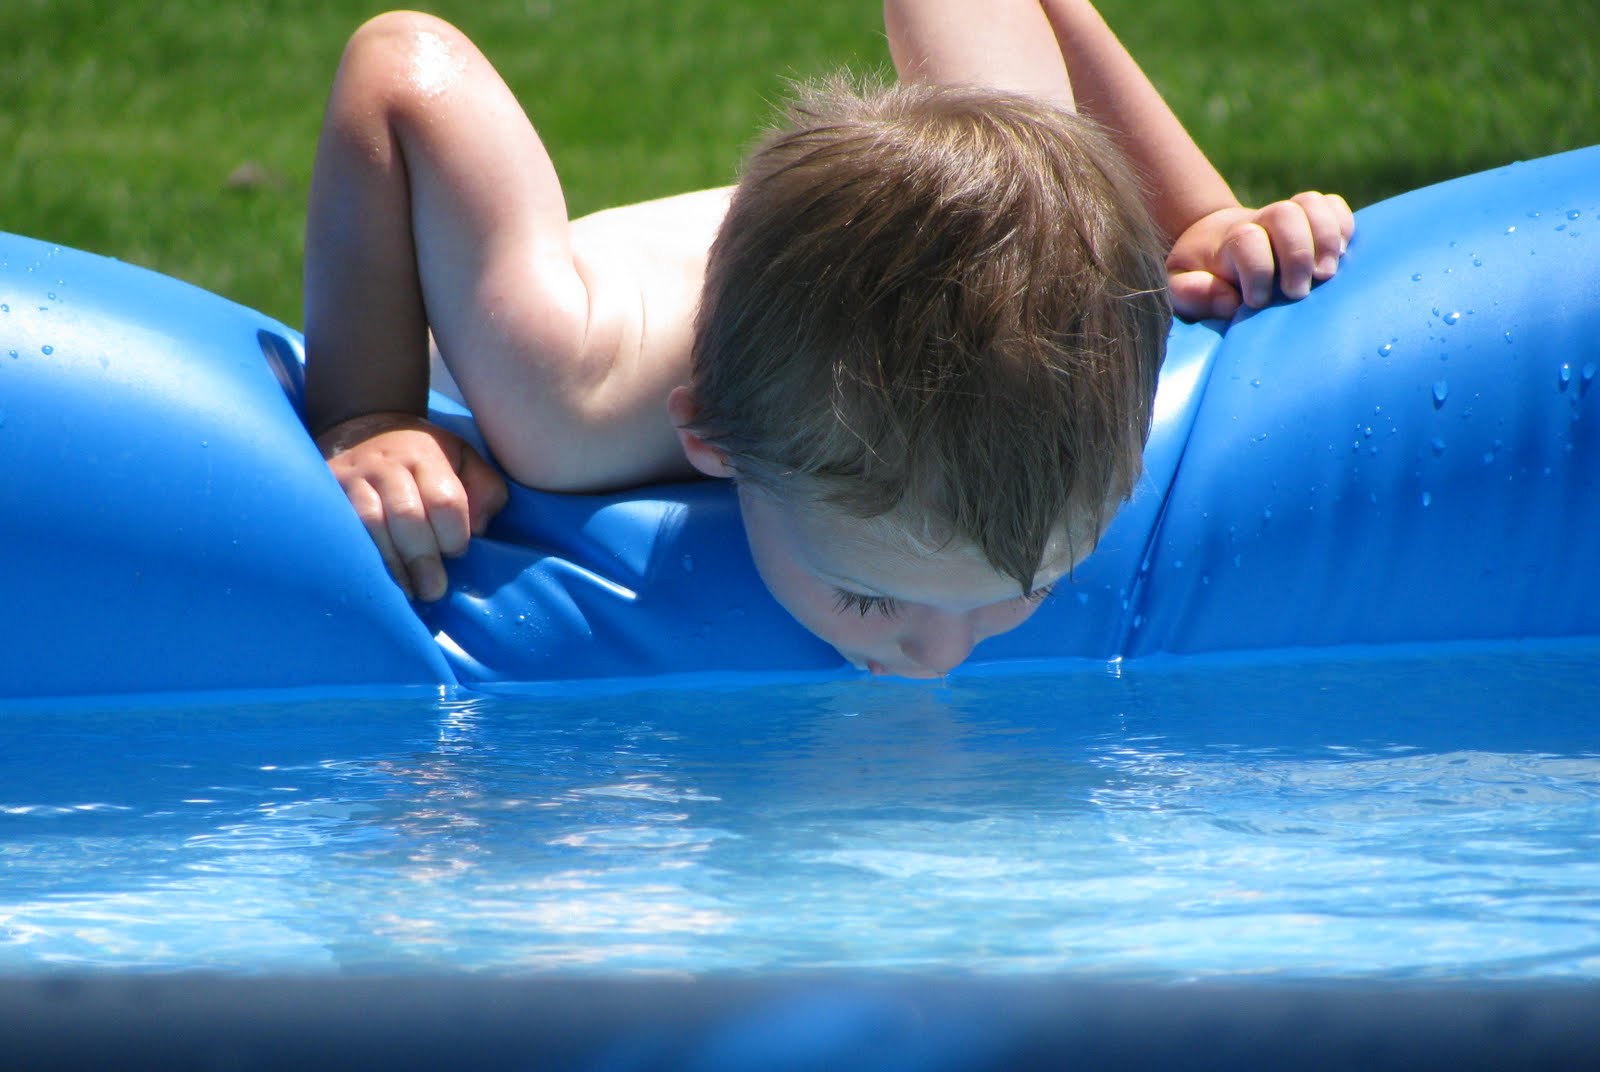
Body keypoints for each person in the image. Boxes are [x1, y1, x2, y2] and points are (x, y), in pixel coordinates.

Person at [304, 0, 1353, 678]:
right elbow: (402, 66)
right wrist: (375, 411)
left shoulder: (1084, 285)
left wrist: (1199, 223)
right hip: (617, 310)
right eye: (868, 597)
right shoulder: (564, 387)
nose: (938, 657)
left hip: (885, 260)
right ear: (708, 435)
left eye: (1023, 589)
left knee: (1017, 147)